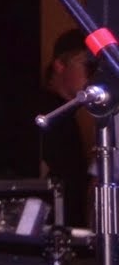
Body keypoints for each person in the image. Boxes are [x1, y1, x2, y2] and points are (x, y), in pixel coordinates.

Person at [38, 27, 98, 227]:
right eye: (88, 65)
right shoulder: (46, 114)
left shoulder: (70, 115)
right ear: (60, 65)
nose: (94, 75)